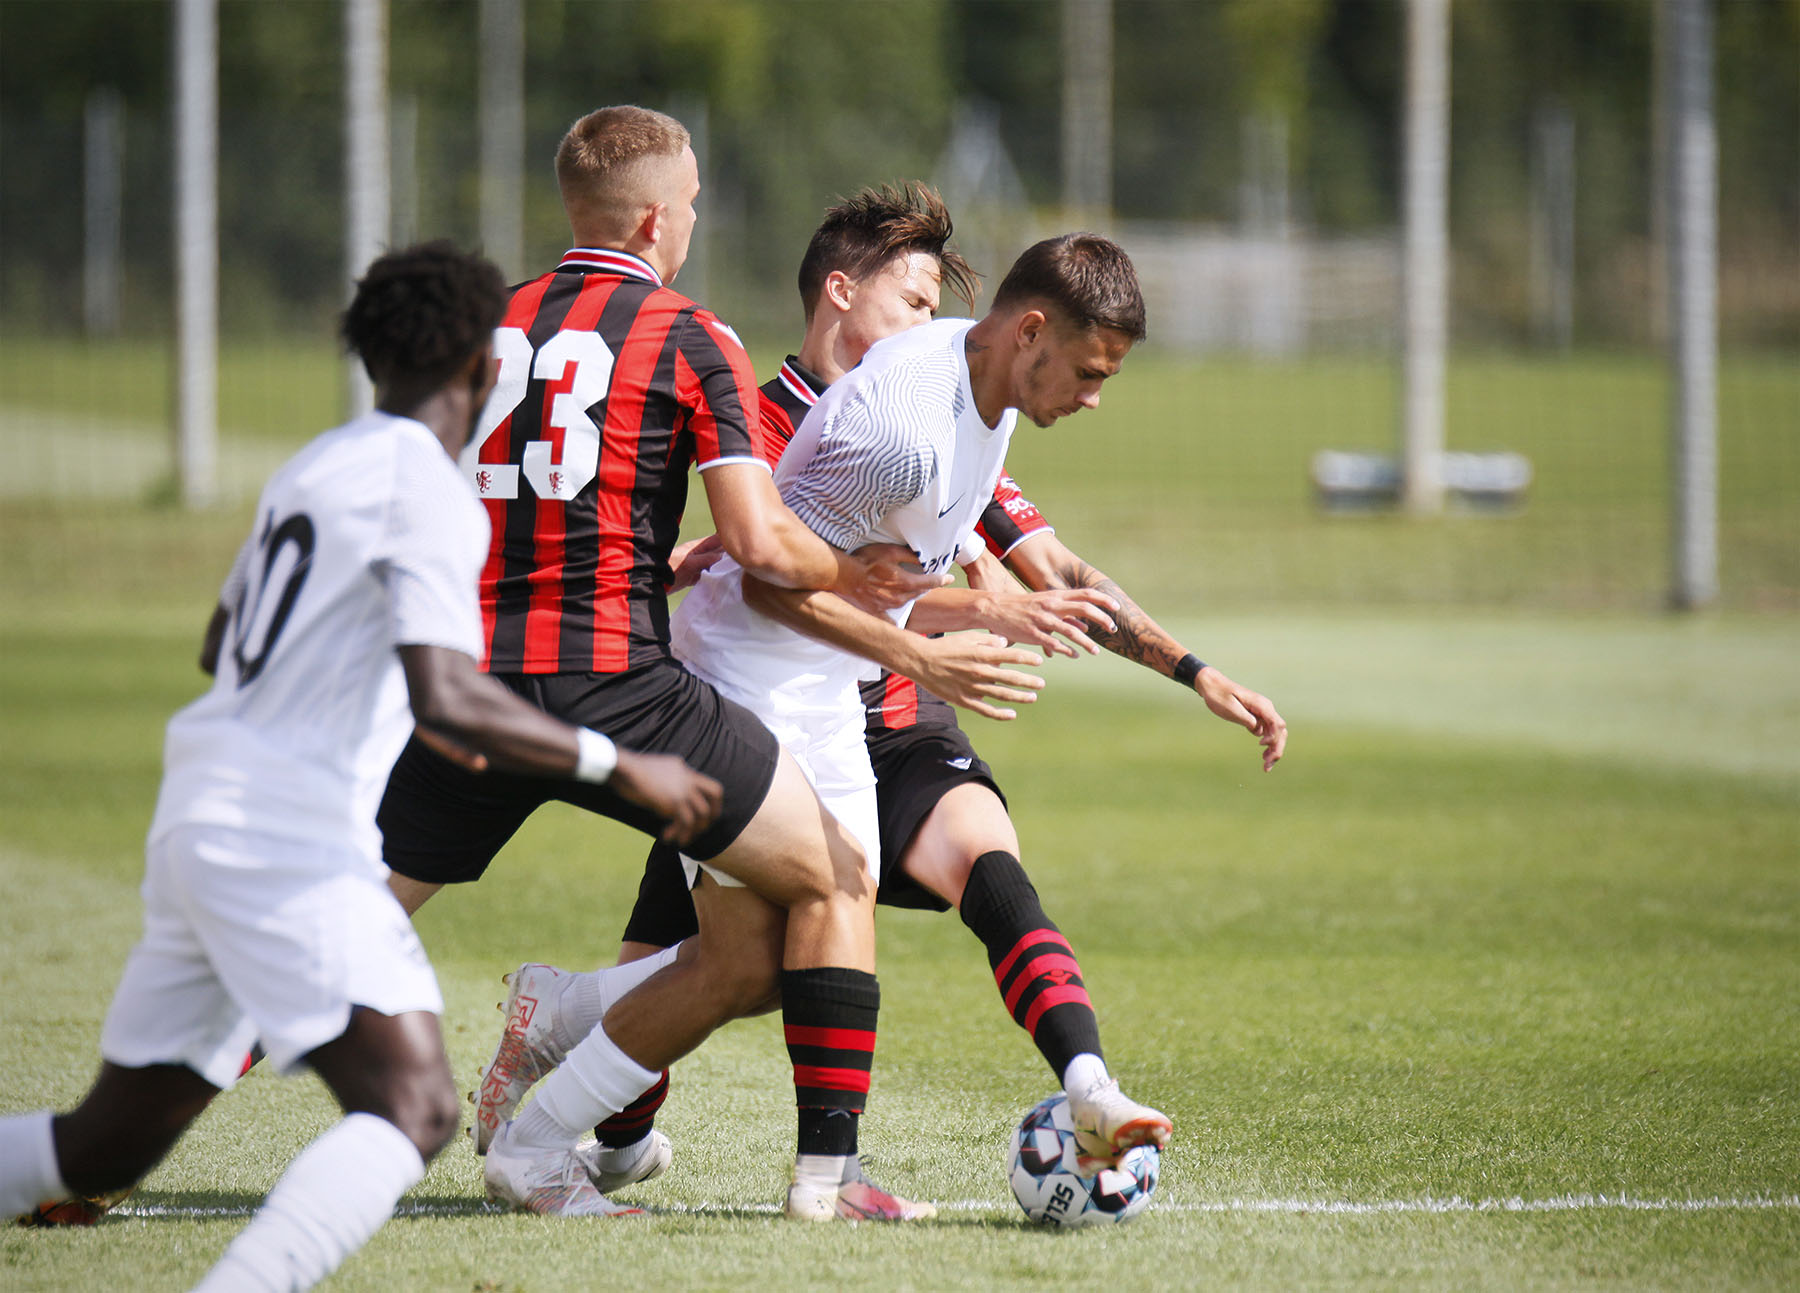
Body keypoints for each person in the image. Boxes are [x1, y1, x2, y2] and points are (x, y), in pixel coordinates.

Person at [514, 192, 1287, 1193]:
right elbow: (765, 578)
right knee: (740, 964)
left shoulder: (973, 385)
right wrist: (948, 633)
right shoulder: (861, 421)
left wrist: (1194, 671)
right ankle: (575, 1083)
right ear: (843, 293)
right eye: (913, 296)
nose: (928, 317)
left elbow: (1042, 570)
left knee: (875, 904)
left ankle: (892, 1158)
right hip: (753, 687)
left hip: (863, 700)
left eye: (934, 302)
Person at [0, 242, 724, 1287]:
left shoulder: (320, 462)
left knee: (102, 1145)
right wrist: (618, 764)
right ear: (485, 363)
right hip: (284, 835)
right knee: (414, 1108)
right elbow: (447, 694)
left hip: (199, 812)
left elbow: (219, 640)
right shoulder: (426, 489)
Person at [374, 108, 1039, 1222]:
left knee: (348, 917)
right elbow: (762, 546)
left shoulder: (480, 326)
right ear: (654, 221)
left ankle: (101, 1144)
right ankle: (577, 1135)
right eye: (688, 202)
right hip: (620, 687)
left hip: (471, 682)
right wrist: (867, 578)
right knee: (829, 884)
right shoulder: (691, 335)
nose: (692, 218)